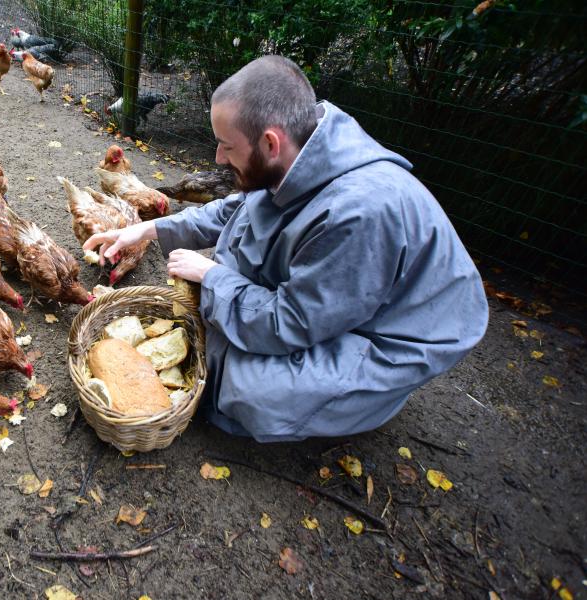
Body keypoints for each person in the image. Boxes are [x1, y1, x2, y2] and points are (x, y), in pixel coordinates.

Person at [83, 55, 489, 442]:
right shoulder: (299, 151)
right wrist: (147, 230)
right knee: (217, 333)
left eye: (226, 145)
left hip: (386, 336)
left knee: (250, 388)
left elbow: (291, 322)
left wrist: (213, 276)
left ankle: (374, 395)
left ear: (271, 143)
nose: (217, 157)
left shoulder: (359, 214)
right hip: (335, 298)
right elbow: (233, 210)